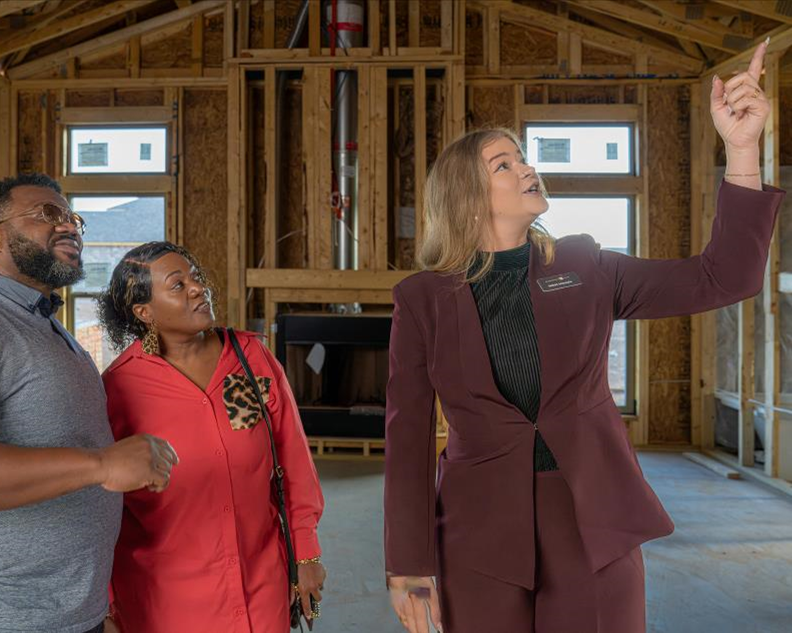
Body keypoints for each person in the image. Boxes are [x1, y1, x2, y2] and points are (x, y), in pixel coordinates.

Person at [383, 41, 784, 633]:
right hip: (478, 535)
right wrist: (409, 565)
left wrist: (742, 150)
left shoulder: (588, 266)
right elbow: (408, 434)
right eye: (504, 164)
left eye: (523, 157)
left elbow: (724, 277)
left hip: (595, 521)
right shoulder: (422, 298)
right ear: (465, 198)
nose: (526, 167)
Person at [0, 173, 178, 633]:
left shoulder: (44, 326)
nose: (70, 227)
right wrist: (100, 465)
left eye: (73, 217)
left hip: (71, 616)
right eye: (47, 214)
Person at [97, 241, 326, 632]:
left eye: (196, 277)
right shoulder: (119, 387)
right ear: (144, 312)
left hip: (262, 582)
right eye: (177, 284)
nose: (198, 288)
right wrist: (107, 600)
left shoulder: (252, 357)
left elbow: (294, 460)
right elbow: (101, 504)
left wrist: (305, 553)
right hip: (166, 597)